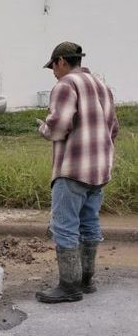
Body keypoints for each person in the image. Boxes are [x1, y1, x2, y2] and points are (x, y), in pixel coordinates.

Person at [35, 41, 119, 303]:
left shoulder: (65, 85)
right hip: (99, 169)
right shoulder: (101, 86)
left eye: (53, 66)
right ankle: (86, 281)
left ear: (61, 61)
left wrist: (43, 129)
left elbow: (59, 127)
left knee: (65, 227)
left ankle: (69, 286)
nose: (53, 72)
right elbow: (113, 128)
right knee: (89, 223)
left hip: (72, 170)